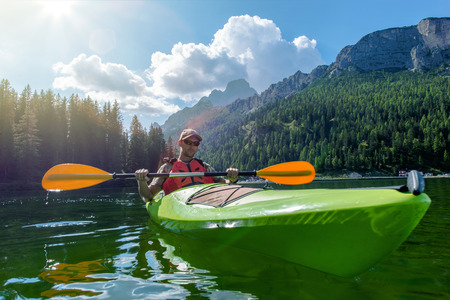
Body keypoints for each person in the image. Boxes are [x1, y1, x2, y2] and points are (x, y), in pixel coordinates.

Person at [135, 129, 239, 202]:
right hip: (179, 207)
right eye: (188, 142)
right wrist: (141, 181)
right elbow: (147, 197)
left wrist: (232, 179)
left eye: (196, 143)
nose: (192, 146)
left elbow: (225, 183)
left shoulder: (205, 166)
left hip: (207, 203)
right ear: (180, 143)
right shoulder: (167, 168)